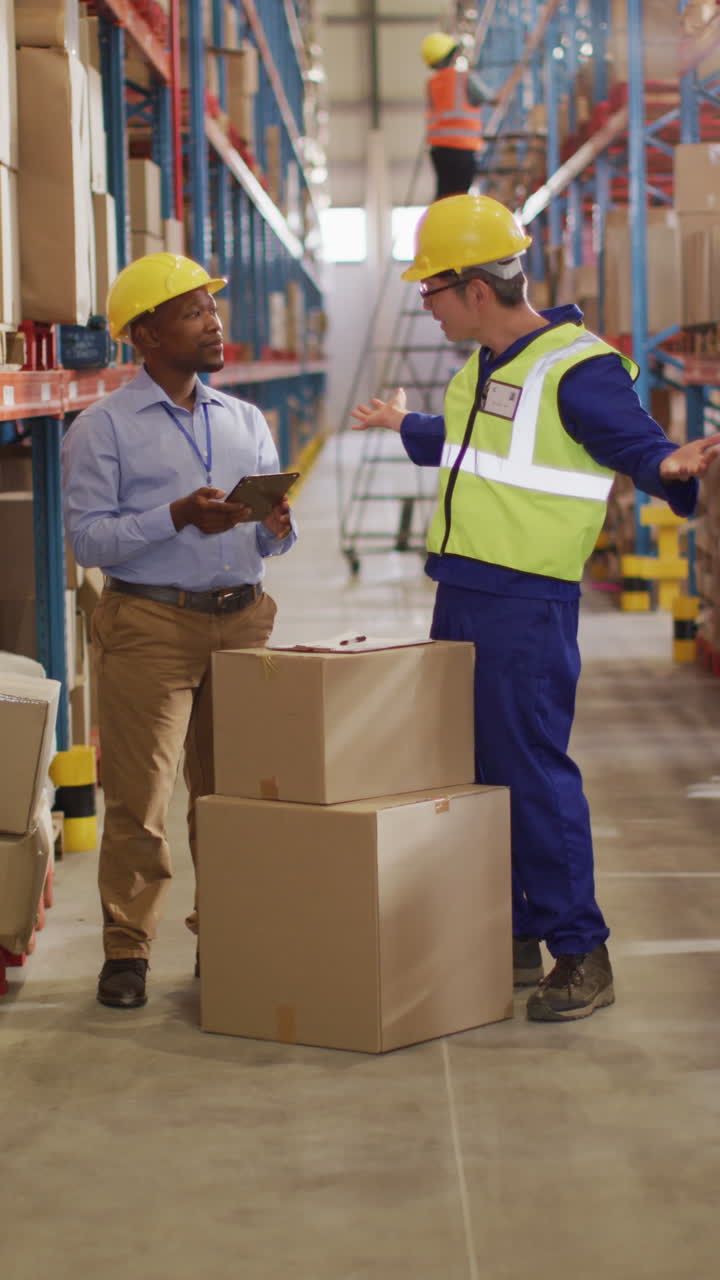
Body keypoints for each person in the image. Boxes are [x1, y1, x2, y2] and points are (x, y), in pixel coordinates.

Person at [351, 194, 720, 1023]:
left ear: (476, 289)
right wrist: (403, 423)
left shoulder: (575, 366)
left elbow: (628, 440)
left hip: (524, 601)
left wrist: (666, 464)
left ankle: (581, 950)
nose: (427, 305)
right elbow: (468, 445)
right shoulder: (484, 366)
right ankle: (515, 928)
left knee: (530, 769)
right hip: (464, 591)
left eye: (431, 290)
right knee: (477, 769)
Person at [62, 253, 297, 1010]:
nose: (214, 323)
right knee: (141, 797)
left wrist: (274, 527)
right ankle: (128, 949)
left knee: (229, 797)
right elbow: (88, 541)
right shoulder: (102, 429)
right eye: (193, 312)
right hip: (150, 624)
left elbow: (269, 540)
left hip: (244, 620)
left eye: (212, 308)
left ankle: (222, 934)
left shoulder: (245, 420)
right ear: (146, 335)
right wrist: (176, 516)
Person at [421, 31, 494, 201]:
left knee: (444, 195)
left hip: (439, 150)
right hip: (462, 149)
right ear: (452, 55)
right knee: (459, 197)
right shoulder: (463, 78)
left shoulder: (432, 83)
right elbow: (492, 99)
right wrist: (514, 78)